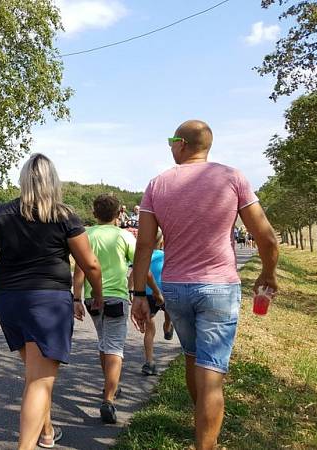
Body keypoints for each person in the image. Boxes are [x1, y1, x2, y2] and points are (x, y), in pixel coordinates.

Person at [131, 120, 279, 450]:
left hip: (175, 289)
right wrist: (268, 273)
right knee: (211, 370)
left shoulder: (157, 184)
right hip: (218, 288)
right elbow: (265, 237)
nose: (170, 147)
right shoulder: (232, 178)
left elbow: (143, 246)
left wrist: (138, 293)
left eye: (172, 140)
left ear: (182, 144)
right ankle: (205, 443)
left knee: (193, 357)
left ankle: (203, 430)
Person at [0, 153, 102, 450]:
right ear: (53, 181)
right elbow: (90, 265)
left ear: (23, 179)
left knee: (36, 373)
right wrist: (97, 296)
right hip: (47, 302)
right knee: (40, 380)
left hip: (8, 299)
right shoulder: (64, 216)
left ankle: (48, 431)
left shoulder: (0, 214)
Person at [73, 193, 162, 424]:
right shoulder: (124, 236)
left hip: (93, 298)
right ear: (118, 215)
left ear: (94, 213)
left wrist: (76, 297)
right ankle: (109, 399)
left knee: (103, 342)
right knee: (114, 347)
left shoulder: (85, 235)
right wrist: (156, 292)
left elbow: (80, 269)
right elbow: (143, 268)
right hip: (117, 298)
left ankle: (109, 386)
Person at [140, 229, 173, 377]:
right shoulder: (166, 256)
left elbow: (134, 274)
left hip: (148, 294)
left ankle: (149, 362)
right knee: (169, 314)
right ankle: (167, 327)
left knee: (149, 329)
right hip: (165, 292)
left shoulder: (143, 257)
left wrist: (130, 290)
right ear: (161, 242)